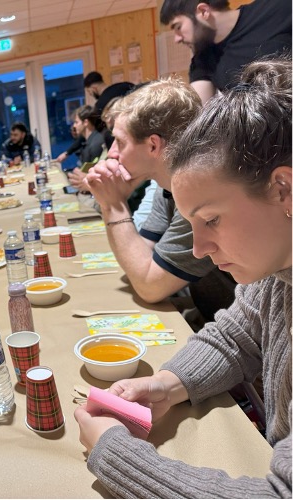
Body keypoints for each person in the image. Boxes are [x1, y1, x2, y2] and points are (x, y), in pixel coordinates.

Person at [75, 57, 291, 498]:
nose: (198, 250)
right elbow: (238, 335)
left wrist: (118, 456)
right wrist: (167, 384)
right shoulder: (277, 270)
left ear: (283, 188)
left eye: (211, 219)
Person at [82, 78, 236, 321]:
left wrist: (112, 205)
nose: (111, 152)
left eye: (120, 142)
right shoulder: (165, 185)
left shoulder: (200, 189)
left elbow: (150, 286)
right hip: (210, 315)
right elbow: (142, 254)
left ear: (153, 145)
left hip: (237, 334)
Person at [160, 0, 291, 103]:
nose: (177, 39)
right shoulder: (203, 59)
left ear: (204, 11)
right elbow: (198, 112)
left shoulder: (278, 7)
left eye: (178, 27)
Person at [66, 105, 106, 189]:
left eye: (76, 122)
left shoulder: (96, 144)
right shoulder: (90, 140)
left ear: (86, 123)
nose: (74, 126)